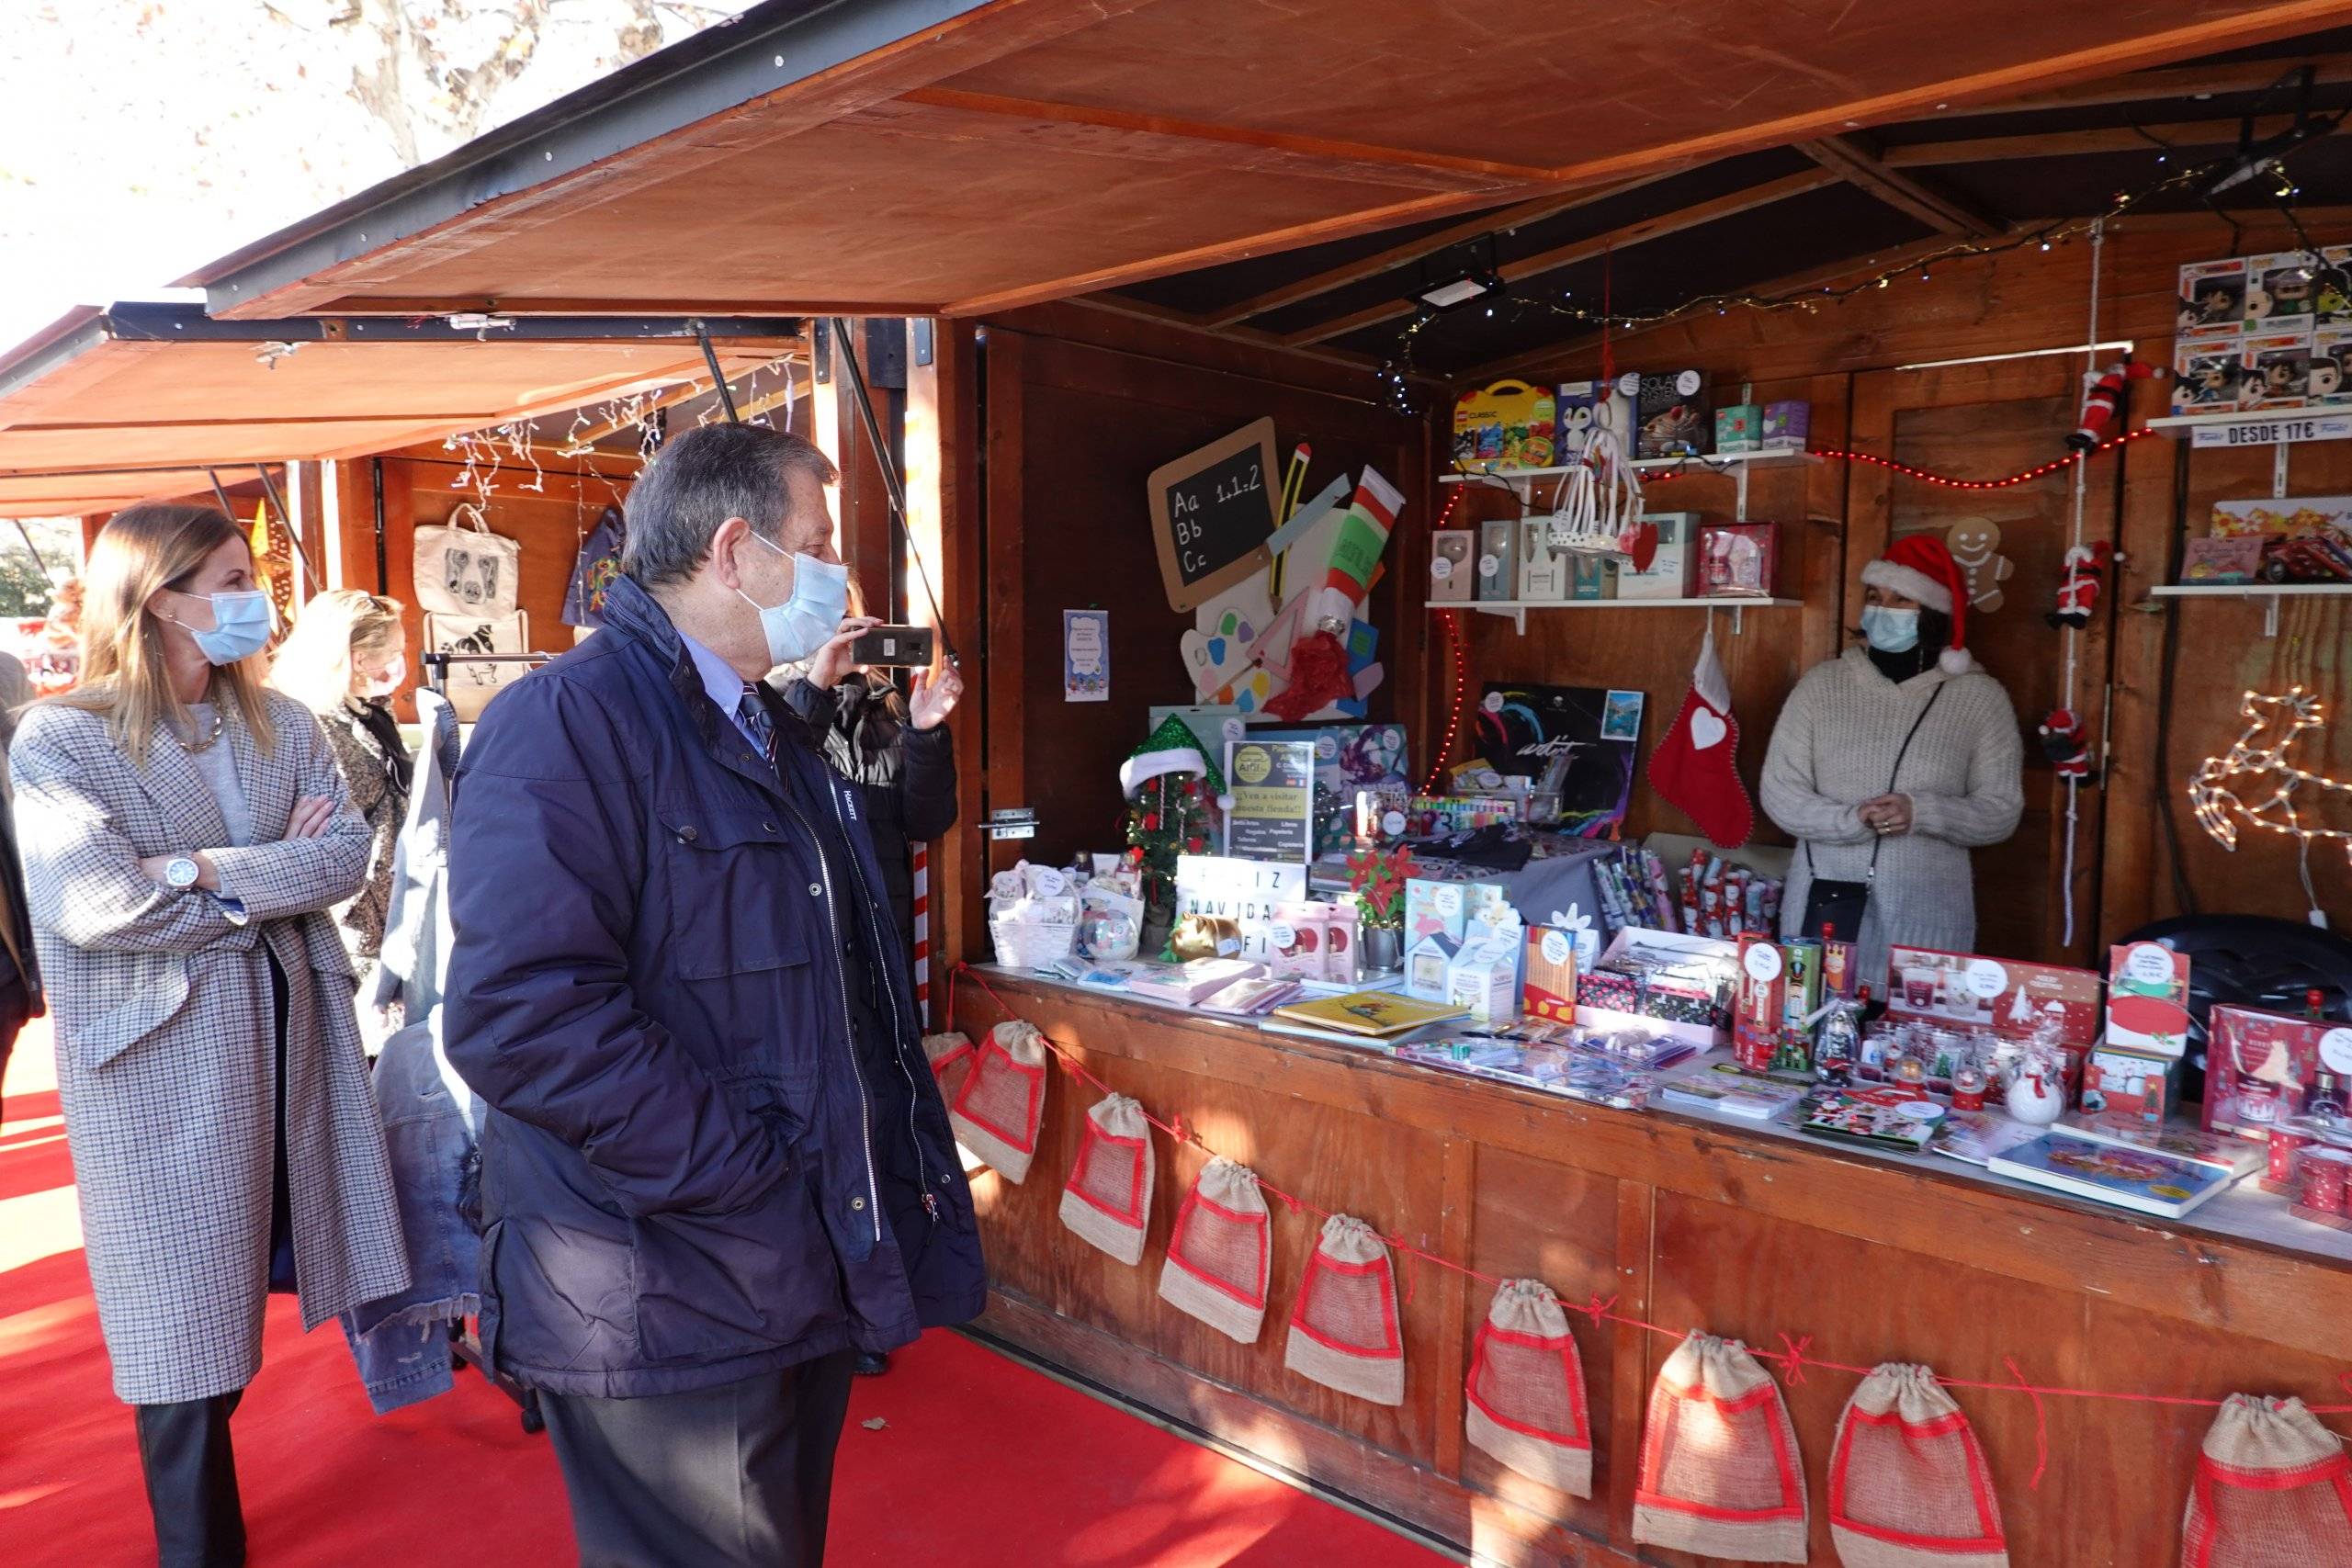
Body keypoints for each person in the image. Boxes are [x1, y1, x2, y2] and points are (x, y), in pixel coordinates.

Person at [445, 423, 985, 1568]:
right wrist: (752, 1178)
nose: (841, 573)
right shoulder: (571, 718)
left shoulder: (767, 723)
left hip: (776, 1263)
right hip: (669, 1276)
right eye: (820, 543)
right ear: (735, 550)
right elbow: (522, 1018)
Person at [10, 503, 408, 1567]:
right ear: (159, 599)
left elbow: (342, 861)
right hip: (160, 1057)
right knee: (180, 1326)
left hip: (292, 1028)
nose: (255, 600)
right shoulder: (64, 734)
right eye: (232, 579)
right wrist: (259, 869)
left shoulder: (278, 717)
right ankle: (199, 1545)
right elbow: (93, 904)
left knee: (261, 1273)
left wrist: (193, 871)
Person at [778, 601, 962, 1379]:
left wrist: (923, 729)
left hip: (875, 947)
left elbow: (928, 816)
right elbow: (776, 776)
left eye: (860, 624)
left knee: (879, 1114)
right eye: (835, 623)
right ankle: (816, 1306)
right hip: (802, 947)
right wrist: (817, 681)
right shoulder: (773, 702)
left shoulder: (894, 710)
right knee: (816, 1125)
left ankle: (874, 1305)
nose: (853, 638)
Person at [1761, 533, 2024, 987]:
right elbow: (1780, 793)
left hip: (1928, 927)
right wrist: (1851, 819)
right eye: (1875, 597)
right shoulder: (1821, 686)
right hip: (1823, 917)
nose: (1883, 609)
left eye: (1902, 600)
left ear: (1933, 614)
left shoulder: (1980, 698)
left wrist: (1921, 812)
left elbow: (1999, 812)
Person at [267, 589, 413, 1041]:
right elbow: (324, 827)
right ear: (356, 658)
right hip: (355, 918)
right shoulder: (312, 727)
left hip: (389, 903)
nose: (400, 664)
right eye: (392, 652)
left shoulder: (368, 714)